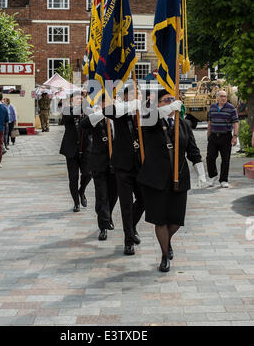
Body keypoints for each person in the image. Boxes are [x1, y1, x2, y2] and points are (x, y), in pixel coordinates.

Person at [137, 89, 205, 272]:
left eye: (172, 100)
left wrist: (201, 171)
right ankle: (165, 256)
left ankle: (167, 241)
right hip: (155, 178)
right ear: (158, 104)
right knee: (160, 220)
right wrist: (166, 110)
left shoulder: (183, 124)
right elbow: (148, 119)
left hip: (178, 178)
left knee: (175, 220)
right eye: (166, 100)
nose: (170, 102)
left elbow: (193, 150)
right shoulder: (150, 121)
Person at [103, 83, 145, 256]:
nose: (137, 96)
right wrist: (130, 106)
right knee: (126, 204)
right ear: (126, 97)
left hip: (141, 165)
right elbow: (107, 111)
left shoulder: (146, 113)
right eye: (134, 93)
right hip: (123, 165)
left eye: (139, 93)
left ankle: (131, 225)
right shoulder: (121, 112)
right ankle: (128, 240)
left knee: (144, 199)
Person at [81, 95, 118, 241]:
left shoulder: (118, 117)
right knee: (101, 196)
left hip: (116, 163)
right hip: (99, 163)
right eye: (105, 103)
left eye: (111, 102)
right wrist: (102, 113)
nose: (109, 105)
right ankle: (103, 226)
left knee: (113, 195)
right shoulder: (96, 117)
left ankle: (107, 216)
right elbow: (83, 124)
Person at [59, 92, 92, 212]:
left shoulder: (87, 111)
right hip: (71, 149)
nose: (79, 100)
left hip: (86, 147)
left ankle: (81, 191)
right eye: (77, 98)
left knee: (88, 173)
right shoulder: (67, 110)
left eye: (81, 98)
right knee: (73, 178)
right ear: (72, 100)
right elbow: (66, 120)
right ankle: (76, 202)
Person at [207, 90, 239, 188]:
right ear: (217, 97)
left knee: (225, 159)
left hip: (226, 137)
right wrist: (208, 135)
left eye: (225, 96)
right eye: (221, 96)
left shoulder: (231, 108)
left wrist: (235, 136)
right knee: (210, 158)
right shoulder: (212, 107)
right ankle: (213, 176)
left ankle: (223, 180)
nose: (223, 98)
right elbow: (210, 122)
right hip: (213, 136)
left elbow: (236, 123)